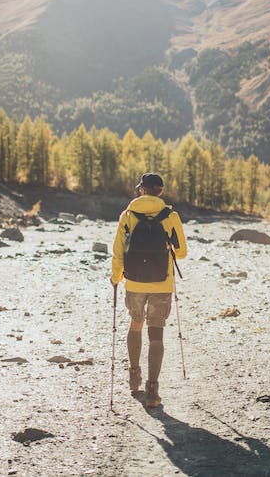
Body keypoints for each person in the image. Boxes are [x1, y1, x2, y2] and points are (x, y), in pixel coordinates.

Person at [111, 172, 187, 408]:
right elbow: (181, 251)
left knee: (135, 324)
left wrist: (116, 277)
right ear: (161, 192)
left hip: (133, 282)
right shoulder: (170, 216)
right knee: (156, 333)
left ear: (141, 190)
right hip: (161, 283)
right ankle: (152, 391)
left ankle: (134, 374)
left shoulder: (128, 215)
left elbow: (118, 250)